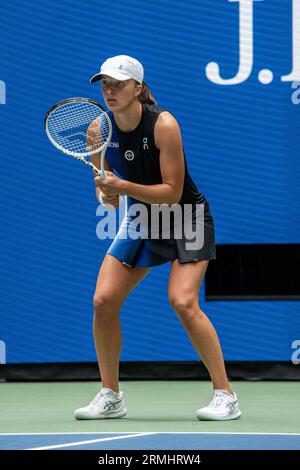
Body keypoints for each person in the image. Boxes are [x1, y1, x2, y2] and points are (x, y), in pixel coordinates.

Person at [74, 55, 241, 421]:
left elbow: (171, 191)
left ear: (138, 88)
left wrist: (121, 185)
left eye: (118, 84)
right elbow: (107, 193)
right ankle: (110, 394)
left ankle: (225, 395)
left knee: (182, 301)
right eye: (105, 84)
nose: (110, 91)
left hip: (187, 217)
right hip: (141, 218)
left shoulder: (163, 124)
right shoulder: (97, 130)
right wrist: (106, 192)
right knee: (103, 300)